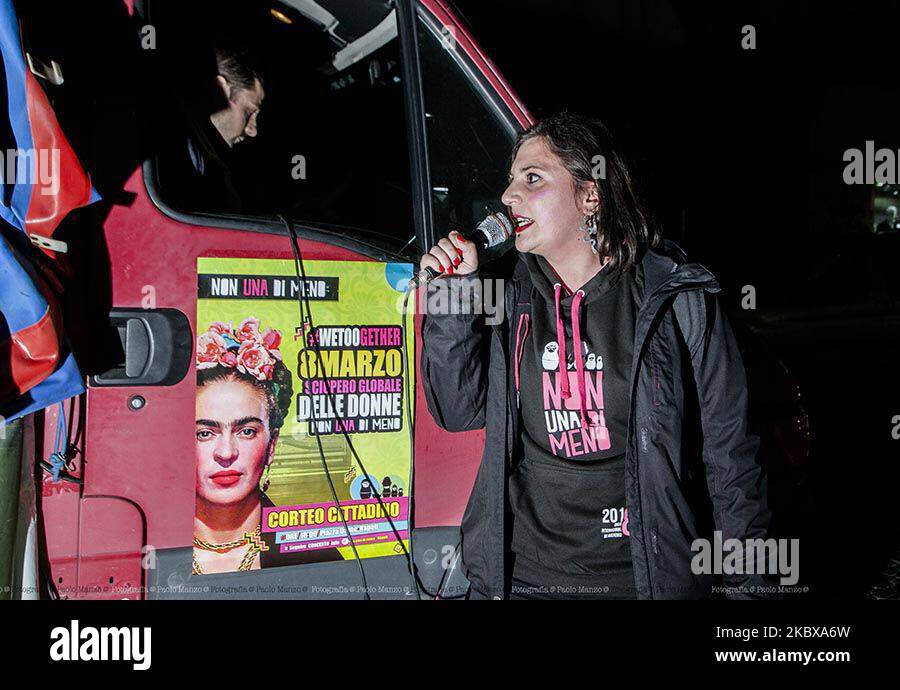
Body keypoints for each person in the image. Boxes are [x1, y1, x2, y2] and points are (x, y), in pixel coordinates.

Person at [419, 112, 773, 600]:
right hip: (520, 578)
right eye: (510, 180)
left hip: (641, 580)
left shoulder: (676, 300)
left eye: (533, 178)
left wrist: (750, 591)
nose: (507, 196)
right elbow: (457, 411)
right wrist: (454, 297)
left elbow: (731, 459)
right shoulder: (507, 296)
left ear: (591, 196)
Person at [194, 317, 339, 574]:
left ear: (271, 444)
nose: (226, 452)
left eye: (247, 431)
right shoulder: (147, 546)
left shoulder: (316, 556)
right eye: (205, 433)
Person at [164, 46, 266, 213]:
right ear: (219, 90)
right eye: (248, 112)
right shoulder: (179, 153)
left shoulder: (206, 153)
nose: (252, 130)